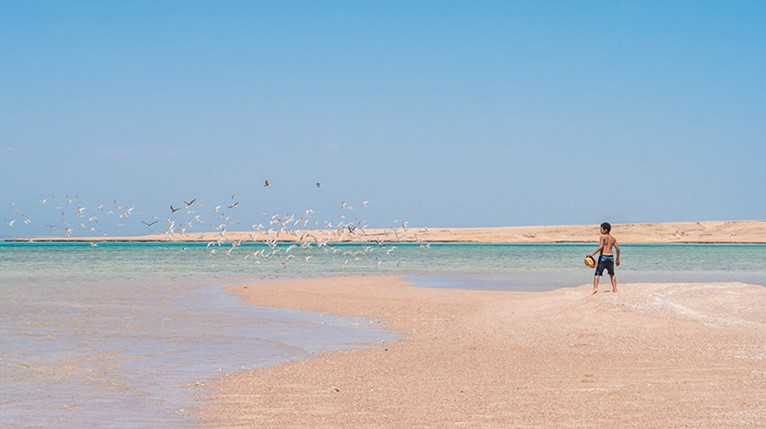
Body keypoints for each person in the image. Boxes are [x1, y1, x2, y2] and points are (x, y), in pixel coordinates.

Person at [587, 222, 620, 294]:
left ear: (605, 230)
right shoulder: (613, 238)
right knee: (612, 274)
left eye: (601, 229)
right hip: (611, 257)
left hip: (603, 257)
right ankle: (614, 289)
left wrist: (592, 254)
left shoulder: (602, 236)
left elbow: (601, 247)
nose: (600, 230)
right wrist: (617, 259)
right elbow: (617, 249)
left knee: (597, 273)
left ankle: (595, 288)